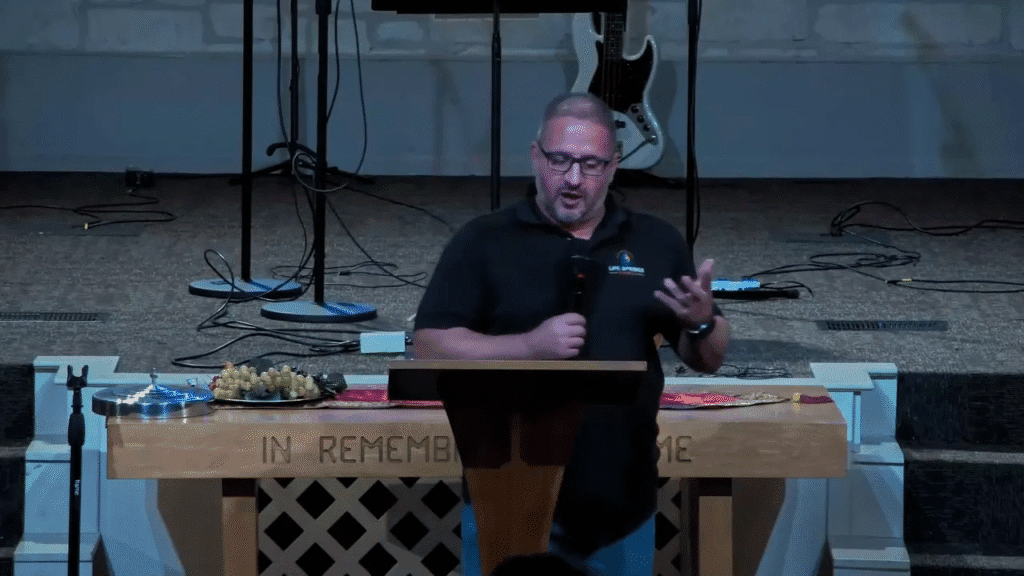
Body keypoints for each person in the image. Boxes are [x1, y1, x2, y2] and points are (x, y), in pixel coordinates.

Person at [413, 92, 730, 576]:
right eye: (560, 160)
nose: (574, 179)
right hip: (506, 500)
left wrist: (701, 322)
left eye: (591, 164)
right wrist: (528, 347)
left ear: (614, 166)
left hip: (621, 505)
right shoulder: (484, 240)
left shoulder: (655, 241)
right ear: (535, 156)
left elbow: (708, 357)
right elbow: (429, 345)